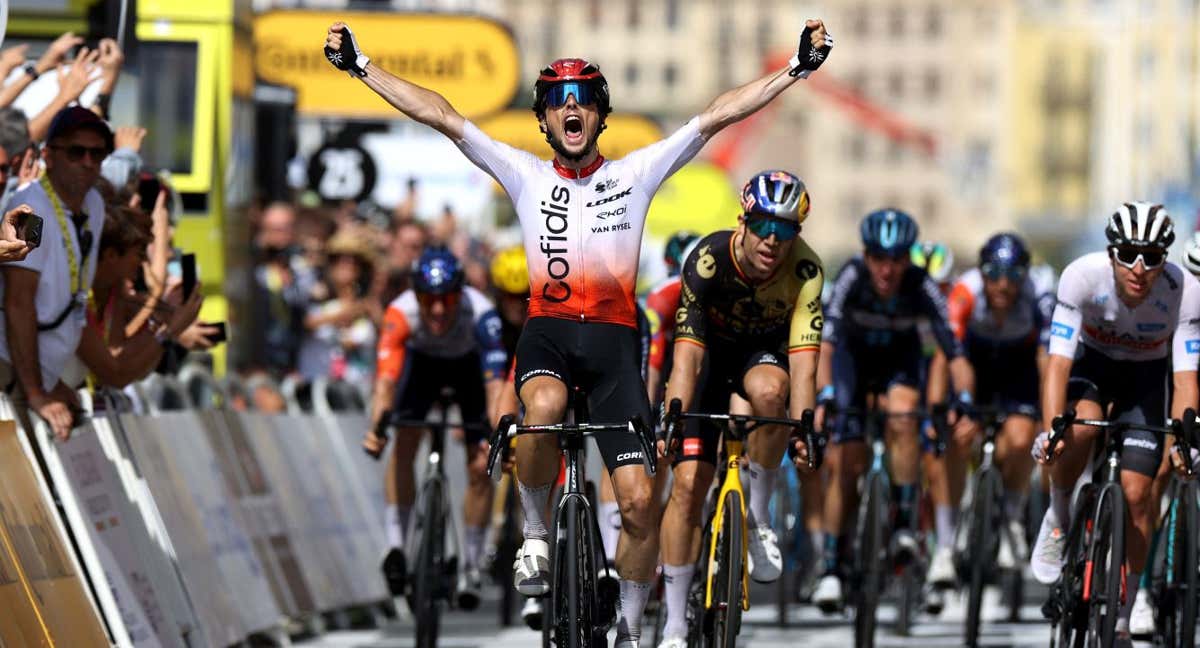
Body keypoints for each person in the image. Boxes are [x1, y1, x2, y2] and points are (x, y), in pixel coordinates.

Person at [324, 16, 833, 648]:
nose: (572, 108)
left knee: (642, 504)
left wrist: (794, 70)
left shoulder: (635, 175)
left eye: (585, 100)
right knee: (540, 409)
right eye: (559, 101)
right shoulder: (524, 173)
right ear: (543, 120)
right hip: (550, 334)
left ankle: (630, 621)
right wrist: (361, 66)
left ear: (600, 117)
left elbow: (716, 115)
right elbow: (442, 114)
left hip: (616, 345)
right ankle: (536, 534)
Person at [655, 170, 823, 648]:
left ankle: (760, 516)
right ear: (743, 223)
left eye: (786, 229)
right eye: (764, 225)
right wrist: (674, 417)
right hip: (707, 358)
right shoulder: (708, 259)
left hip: (760, 357)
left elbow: (804, 368)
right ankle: (672, 623)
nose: (773, 239)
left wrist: (804, 429)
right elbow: (686, 356)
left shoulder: (806, 271)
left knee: (774, 396)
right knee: (687, 486)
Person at [1032, 203, 1200, 643]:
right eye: (1127, 253)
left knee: (1139, 493)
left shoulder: (1186, 291)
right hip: (1092, 368)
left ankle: (1125, 611)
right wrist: (1053, 430)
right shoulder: (1081, 277)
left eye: (1151, 256)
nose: (1139, 268)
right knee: (1080, 429)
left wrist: (1186, 438)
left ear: (1167, 257)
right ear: (1111, 254)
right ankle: (1059, 513)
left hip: (1145, 379)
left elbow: (1185, 379)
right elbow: (1057, 366)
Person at [812, 208, 976, 612]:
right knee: (844, 459)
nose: (887, 269)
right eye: (878, 258)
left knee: (904, 417)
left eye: (897, 259)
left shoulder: (921, 285)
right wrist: (826, 394)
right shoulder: (851, 276)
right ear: (865, 256)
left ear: (908, 259)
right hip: (852, 362)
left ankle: (903, 522)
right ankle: (831, 568)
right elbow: (825, 345)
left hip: (898, 365)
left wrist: (966, 402)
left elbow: (954, 354)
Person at [367, 246, 506, 608]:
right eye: (430, 301)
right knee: (405, 439)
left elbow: (495, 385)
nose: (440, 310)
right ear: (417, 296)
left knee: (480, 464)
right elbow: (385, 382)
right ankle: (396, 545)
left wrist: (496, 434)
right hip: (422, 367)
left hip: (468, 371)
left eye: (447, 300)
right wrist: (377, 427)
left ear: (460, 294)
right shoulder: (401, 312)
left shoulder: (482, 312)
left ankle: (473, 563)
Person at [924, 233, 1053, 591]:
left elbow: (1046, 361)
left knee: (1022, 438)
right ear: (981, 273)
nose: (1003, 284)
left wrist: (1048, 414)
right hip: (973, 369)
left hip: (1018, 372)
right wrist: (941, 410)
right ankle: (946, 548)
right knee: (954, 439)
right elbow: (946, 356)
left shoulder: (1038, 296)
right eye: (994, 273)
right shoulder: (964, 292)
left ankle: (1012, 515)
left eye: (1013, 275)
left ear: (1025, 276)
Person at [0, 106, 111, 440]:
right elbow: (19, 303)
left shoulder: (94, 204)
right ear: (49, 155)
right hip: (14, 374)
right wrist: (36, 392)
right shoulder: (30, 210)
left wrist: (53, 383)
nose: (89, 162)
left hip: (44, 374)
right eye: (77, 152)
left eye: (98, 153)